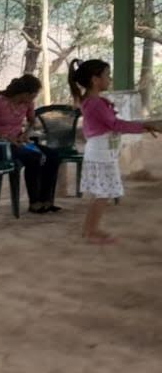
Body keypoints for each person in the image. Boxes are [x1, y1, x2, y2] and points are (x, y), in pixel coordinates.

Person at [68, 59, 162, 243]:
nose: (109, 79)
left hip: (102, 152)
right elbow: (115, 124)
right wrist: (145, 125)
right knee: (103, 194)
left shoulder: (93, 101)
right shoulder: (95, 103)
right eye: (107, 75)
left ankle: (89, 229)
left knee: (102, 194)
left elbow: (113, 124)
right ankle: (92, 231)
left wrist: (144, 126)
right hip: (101, 153)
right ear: (95, 80)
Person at [0, 74, 62, 214]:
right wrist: (5, 137)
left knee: (53, 156)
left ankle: (47, 200)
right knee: (34, 158)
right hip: (0, 147)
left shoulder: (28, 103)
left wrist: (25, 134)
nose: (34, 97)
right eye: (33, 94)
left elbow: (32, 121)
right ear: (25, 93)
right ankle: (34, 203)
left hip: (19, 143)